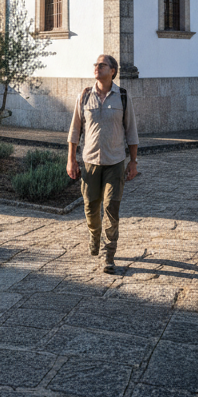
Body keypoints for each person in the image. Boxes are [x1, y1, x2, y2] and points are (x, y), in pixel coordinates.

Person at [66, 53, 139, 273]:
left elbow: (131, 132)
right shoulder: (85, 96)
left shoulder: (123, 97)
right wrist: (71, 159)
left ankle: (108, 254)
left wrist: (133, 162)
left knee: (110, 207)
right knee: (90, 206)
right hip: (89, 162)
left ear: (113, 71)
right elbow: (75, 130)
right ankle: (94, 235)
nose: (97, 67)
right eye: (96, 64)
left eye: (102, 65)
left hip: (115, 161)